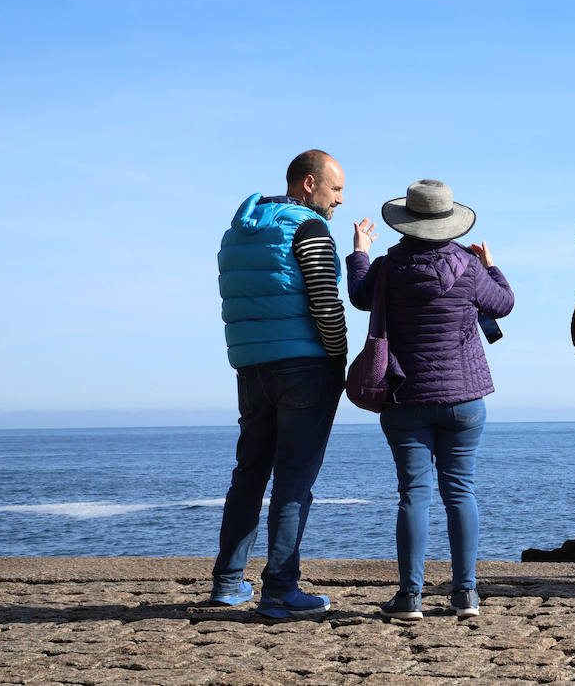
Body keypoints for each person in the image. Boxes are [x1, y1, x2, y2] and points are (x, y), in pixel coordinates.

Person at [347, 179, 514, 621]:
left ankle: (410, 598)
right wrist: (492, 266)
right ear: (448, 223)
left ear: (406, 224)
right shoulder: (469, 268)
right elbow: (504, 305)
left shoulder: (386, 269)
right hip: (464, 399)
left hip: (405, 397)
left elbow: (359, 296)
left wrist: (360, 251)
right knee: (461, 492)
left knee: (414, 495)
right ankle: (466, 595)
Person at [207, 149, 349, 619]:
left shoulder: (239, 230)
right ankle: (280, 589)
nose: (340, 200)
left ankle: (228, 582)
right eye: (336, 189)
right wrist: (339, 358)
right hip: (305, 367)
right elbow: (325, 301)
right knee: (294, 480)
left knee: (248, 475)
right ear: (308, 184)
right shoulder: (308, 228)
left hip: (251, 367)